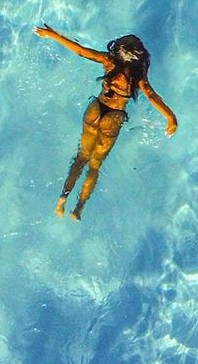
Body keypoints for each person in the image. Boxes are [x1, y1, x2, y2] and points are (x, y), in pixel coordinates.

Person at [35, 25, 177, 220]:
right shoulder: (137, 77)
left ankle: (62, 200)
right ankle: (78, 209)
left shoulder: (108, 61)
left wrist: (52, 35)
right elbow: (152, 96)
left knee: (81, 157)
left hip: (95, 110)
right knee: (94, 166)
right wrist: (171, 118)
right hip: (113, 119)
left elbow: (80, 51)